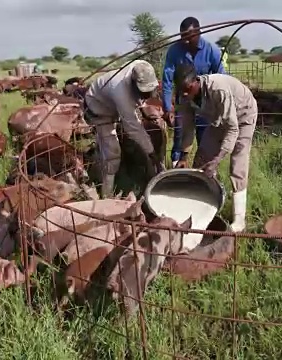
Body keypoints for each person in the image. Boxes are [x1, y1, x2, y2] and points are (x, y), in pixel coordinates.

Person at [174, 63, 257, 232]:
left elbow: (233, 128)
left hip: (243, 115)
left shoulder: (218, 89)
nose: (184, 93)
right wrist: (183, 156)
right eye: (181, 89)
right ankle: (209, 204)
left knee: (237, 164)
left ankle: (239, 221)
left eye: (188, 89)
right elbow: (188, 127)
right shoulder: (184, 97)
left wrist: (218, 159)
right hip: (219, 118)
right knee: (202, 158)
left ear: (196, 81)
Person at [84, 60, 163, 197]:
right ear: (133, 84)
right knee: (112, 153)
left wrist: (143, 107)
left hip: (112, 105)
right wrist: (151, 152)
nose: (147, 95)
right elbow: (133, 127)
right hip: (98, 109)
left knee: (121, 144)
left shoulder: (142, 66)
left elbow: (140, 100)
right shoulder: (120, 91)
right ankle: (107, 194)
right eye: (143, 92)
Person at [162, 16, 225, 168]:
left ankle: (204, 171)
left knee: (205, 137)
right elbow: (167, 79)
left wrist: (219, 106)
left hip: (205, 102)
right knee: (180, 135)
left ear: (199, 33)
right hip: (183, 100)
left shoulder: (212, 51)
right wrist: (167, 106)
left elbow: (222, 79)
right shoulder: (174, 51)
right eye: (182, 37)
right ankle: (177, 169)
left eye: (189, 37)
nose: (185, 41)